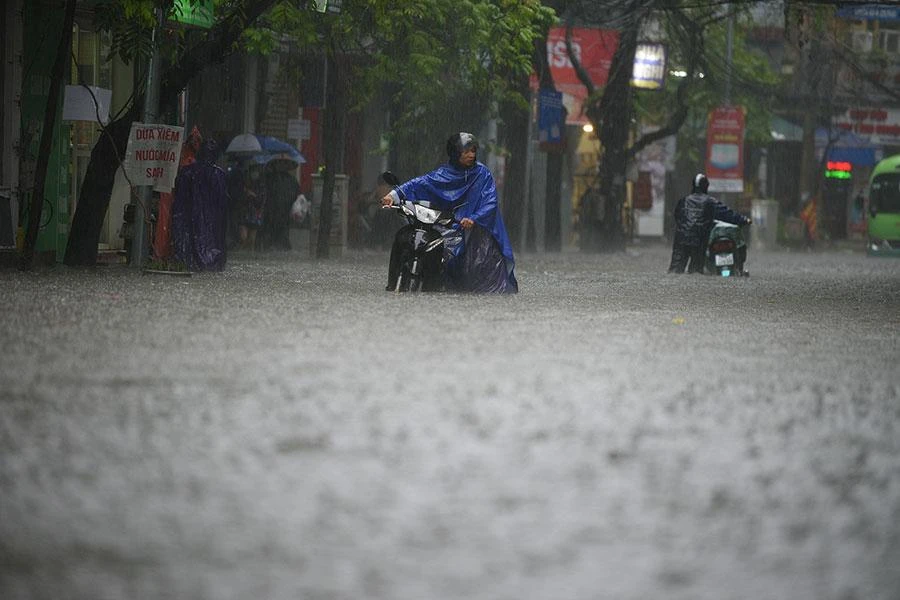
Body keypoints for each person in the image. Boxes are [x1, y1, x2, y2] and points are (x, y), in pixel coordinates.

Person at [381, 132, 518, 293]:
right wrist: (393, 196)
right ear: (455, 153)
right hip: (451, 225)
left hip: (477, 231)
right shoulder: (443, 174)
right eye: (466, 151)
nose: (471, 155)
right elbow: (420, 183)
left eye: (473, 151)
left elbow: (490, 202)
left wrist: (474, 219)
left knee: (480, 270)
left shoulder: (482, 174)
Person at [668, 173, 751, 274]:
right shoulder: (710, 202)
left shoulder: (683, 200)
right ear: (706, 186)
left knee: (675, 271)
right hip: (699, 240)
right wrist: (743, 220)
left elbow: (677, 217)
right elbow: (727, 213)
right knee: (696, 271)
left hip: (681, 239)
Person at [171, 138, 228, 271]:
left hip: (190, 219)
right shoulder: (219, 175)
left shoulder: (187, 172)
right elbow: (223, 206)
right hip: (211, 223)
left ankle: (193, 262)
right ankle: (209, 263)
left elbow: (179, 202)